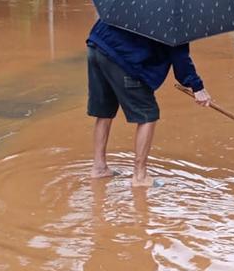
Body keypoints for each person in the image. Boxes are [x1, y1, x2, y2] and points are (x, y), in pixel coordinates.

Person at [86, 19, 212, 187]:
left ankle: (99, 167)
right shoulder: (176, 14)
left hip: (98, 44)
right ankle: (140, 176)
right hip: (125, 58)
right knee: (147, 115)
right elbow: (180, 57)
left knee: (104, 111)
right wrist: (197, 87)